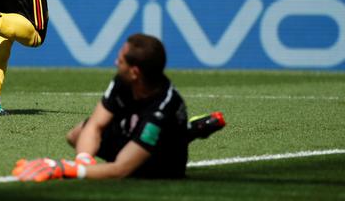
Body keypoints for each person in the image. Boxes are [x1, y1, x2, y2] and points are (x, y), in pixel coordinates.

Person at [12, 34, 225, 181]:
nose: (115, 62)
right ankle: (187, 129)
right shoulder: (123, 81)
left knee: (137, 170)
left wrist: (65, 169)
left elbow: (120, 169)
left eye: (120, 60)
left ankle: (187, 131)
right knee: (77, 135)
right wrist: (83, 160)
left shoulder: (161, 110)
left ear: (135, 72)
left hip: (160, 165)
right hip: (139, 130)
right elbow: (95, 124)